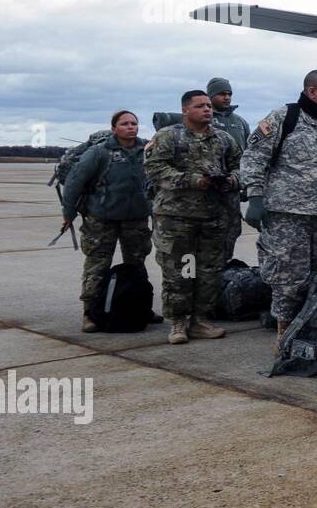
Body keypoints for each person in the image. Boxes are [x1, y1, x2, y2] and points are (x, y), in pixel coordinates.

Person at [242, 70, 317, 350]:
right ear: (311, 91)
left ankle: (314, 330)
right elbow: (254, 157)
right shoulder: (284, 117)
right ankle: (284, 334)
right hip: (286, 214)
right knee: (287, 276)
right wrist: (255, 198)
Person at [145, 90, 240, 344]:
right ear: (186, 110)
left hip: (213, 216)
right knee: (180, 271)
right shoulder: (168, 136)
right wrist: (193, 180)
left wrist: (231, 180)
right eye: (200, 106)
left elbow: (241, 167)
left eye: (209, 106)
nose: (207, 110)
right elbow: (156, 169)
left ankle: (200, 320)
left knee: (210, 271)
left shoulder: (223, 139)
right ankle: (178, 322)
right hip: (176, 218)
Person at [62, 110, 153, 332]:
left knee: (137, 264)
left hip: (136, 218)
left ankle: (141, 307)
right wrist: (68, 212)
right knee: (97, 265)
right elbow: (75, 181)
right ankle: (90, 313)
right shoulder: (99, 152)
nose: (131, 127)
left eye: (134, 123)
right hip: (102, 219)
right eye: (125, 124)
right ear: (114, 129)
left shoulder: (147, 151)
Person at [205, 78, 251, 261]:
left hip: (232, 188)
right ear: (211, 95)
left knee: (231, 232)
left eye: (229, 94)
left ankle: (223, 270)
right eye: (222, 94)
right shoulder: (205, 118)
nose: (226, 97)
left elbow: (249, 153)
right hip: (208, 189)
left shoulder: (239, 122)